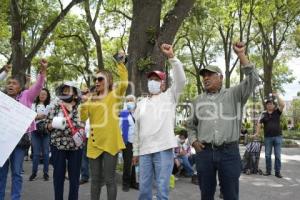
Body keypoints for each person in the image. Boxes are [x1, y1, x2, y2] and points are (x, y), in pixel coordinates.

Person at [186, 42, 260, 200]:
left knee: (231, 195)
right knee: (206, 194)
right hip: (204, 153)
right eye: (204, 75)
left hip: (229, 152)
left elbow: (253, 79)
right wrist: (193, 141)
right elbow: (191, 126)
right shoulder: (197, 101)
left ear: (220, 77)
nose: (205, 78)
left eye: (210, 74)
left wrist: (241, 55)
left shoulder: (234, 95)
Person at [132, 43, 186, 200]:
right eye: (151, 79)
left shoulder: (170, 97)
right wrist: (135, 151)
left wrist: (172, 57)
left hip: (163, 149)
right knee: (144, 190)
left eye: (156, 79)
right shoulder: (141, 103)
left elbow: (181, 80)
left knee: (162, 190)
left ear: (163, 84)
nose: (153, 82)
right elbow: (137, 130)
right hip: (144, 151)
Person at [80, 52, 128, 200]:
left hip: (110, 143)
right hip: (94, 144)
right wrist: (85, 101)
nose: (97, 81)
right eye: (95, 79)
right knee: (95, 181)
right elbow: (82, 118)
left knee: (109, 180)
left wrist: (120, 63)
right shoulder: (91, 99)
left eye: (100, 79)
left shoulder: (115, 95)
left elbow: (125, 82)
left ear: (108, 81)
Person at [0, 59, 47, 200]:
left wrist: (43, 71)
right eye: (8, 83)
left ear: (20, 87)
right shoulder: (1, 97)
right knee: (1, 174)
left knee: (16, 173)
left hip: (20, 142)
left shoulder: (26, 96)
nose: (10, 85)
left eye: (14, 83)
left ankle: (15, 198)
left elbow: (38, 87)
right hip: (2, 142)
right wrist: (4, 72)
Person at [46, 82, 84, 200]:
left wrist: (72, 110)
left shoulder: (81, 107)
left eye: (69, 90)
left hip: (76, 146)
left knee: (74, 178)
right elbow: (45, 125)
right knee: (58, 176)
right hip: (58, 145)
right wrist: (52, 125)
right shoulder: (55, 105)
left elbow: (84, 125)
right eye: (64, 90)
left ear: (75, 93)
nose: (66, 92)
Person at [252, 93, 285, 178]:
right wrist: (257, 133)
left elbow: (282, 104)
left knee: (277, 155)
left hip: (278, 137)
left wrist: (277, 95)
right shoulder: (263, 114)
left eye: (271, 104)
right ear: (266, 106)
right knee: (267, 155)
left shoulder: (277, 112)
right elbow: (259, 123)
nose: (269, 105)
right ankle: (268, 171)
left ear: (274, 105)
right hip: (268, 138)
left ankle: (277, 172)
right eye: (268, 104)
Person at [29, 88, 51, 181]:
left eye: (44, 94)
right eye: (40, 93)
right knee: (36, 153)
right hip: (35, 131)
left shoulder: (50, 106)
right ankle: (34, 173)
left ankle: (46, 173)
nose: (42, 95)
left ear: (47, 96)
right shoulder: (33, 105)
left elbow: (52, 118)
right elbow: (30, 117)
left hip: (46, 131)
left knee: (46, 153)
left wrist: (38, 117)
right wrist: (39, 117)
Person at [119, 95, 138, 192]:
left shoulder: (135, 113)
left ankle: (133, 182)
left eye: (132, 100)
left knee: (134, 163)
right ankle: (125, 183)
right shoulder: (124, 114)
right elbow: (120, 128)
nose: (130, 102)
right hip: (127, 142)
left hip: (135, 142)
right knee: (127, 164)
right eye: (128, 100)